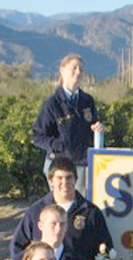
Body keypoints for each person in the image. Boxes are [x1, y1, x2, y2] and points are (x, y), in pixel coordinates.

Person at [10, 157, 112, 260]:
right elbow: (17, 246)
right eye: (59, 178)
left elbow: (105, 250)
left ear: (75, 179)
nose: (65, 182)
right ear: (51, 181)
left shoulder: (91, 212)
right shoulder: (36, 211)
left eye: (69, 177)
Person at [32, 54, 105, 196]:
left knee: (81, 210)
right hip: (60, 166)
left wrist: (98, 129)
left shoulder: (87, 101)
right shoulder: (52, 104)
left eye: (81, 69)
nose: (78, 72)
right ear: (62, 70)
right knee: (62, 207)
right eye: (74, 68)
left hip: (83, 165)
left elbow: (93, 124)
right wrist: (57, 146)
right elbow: (37, 135)